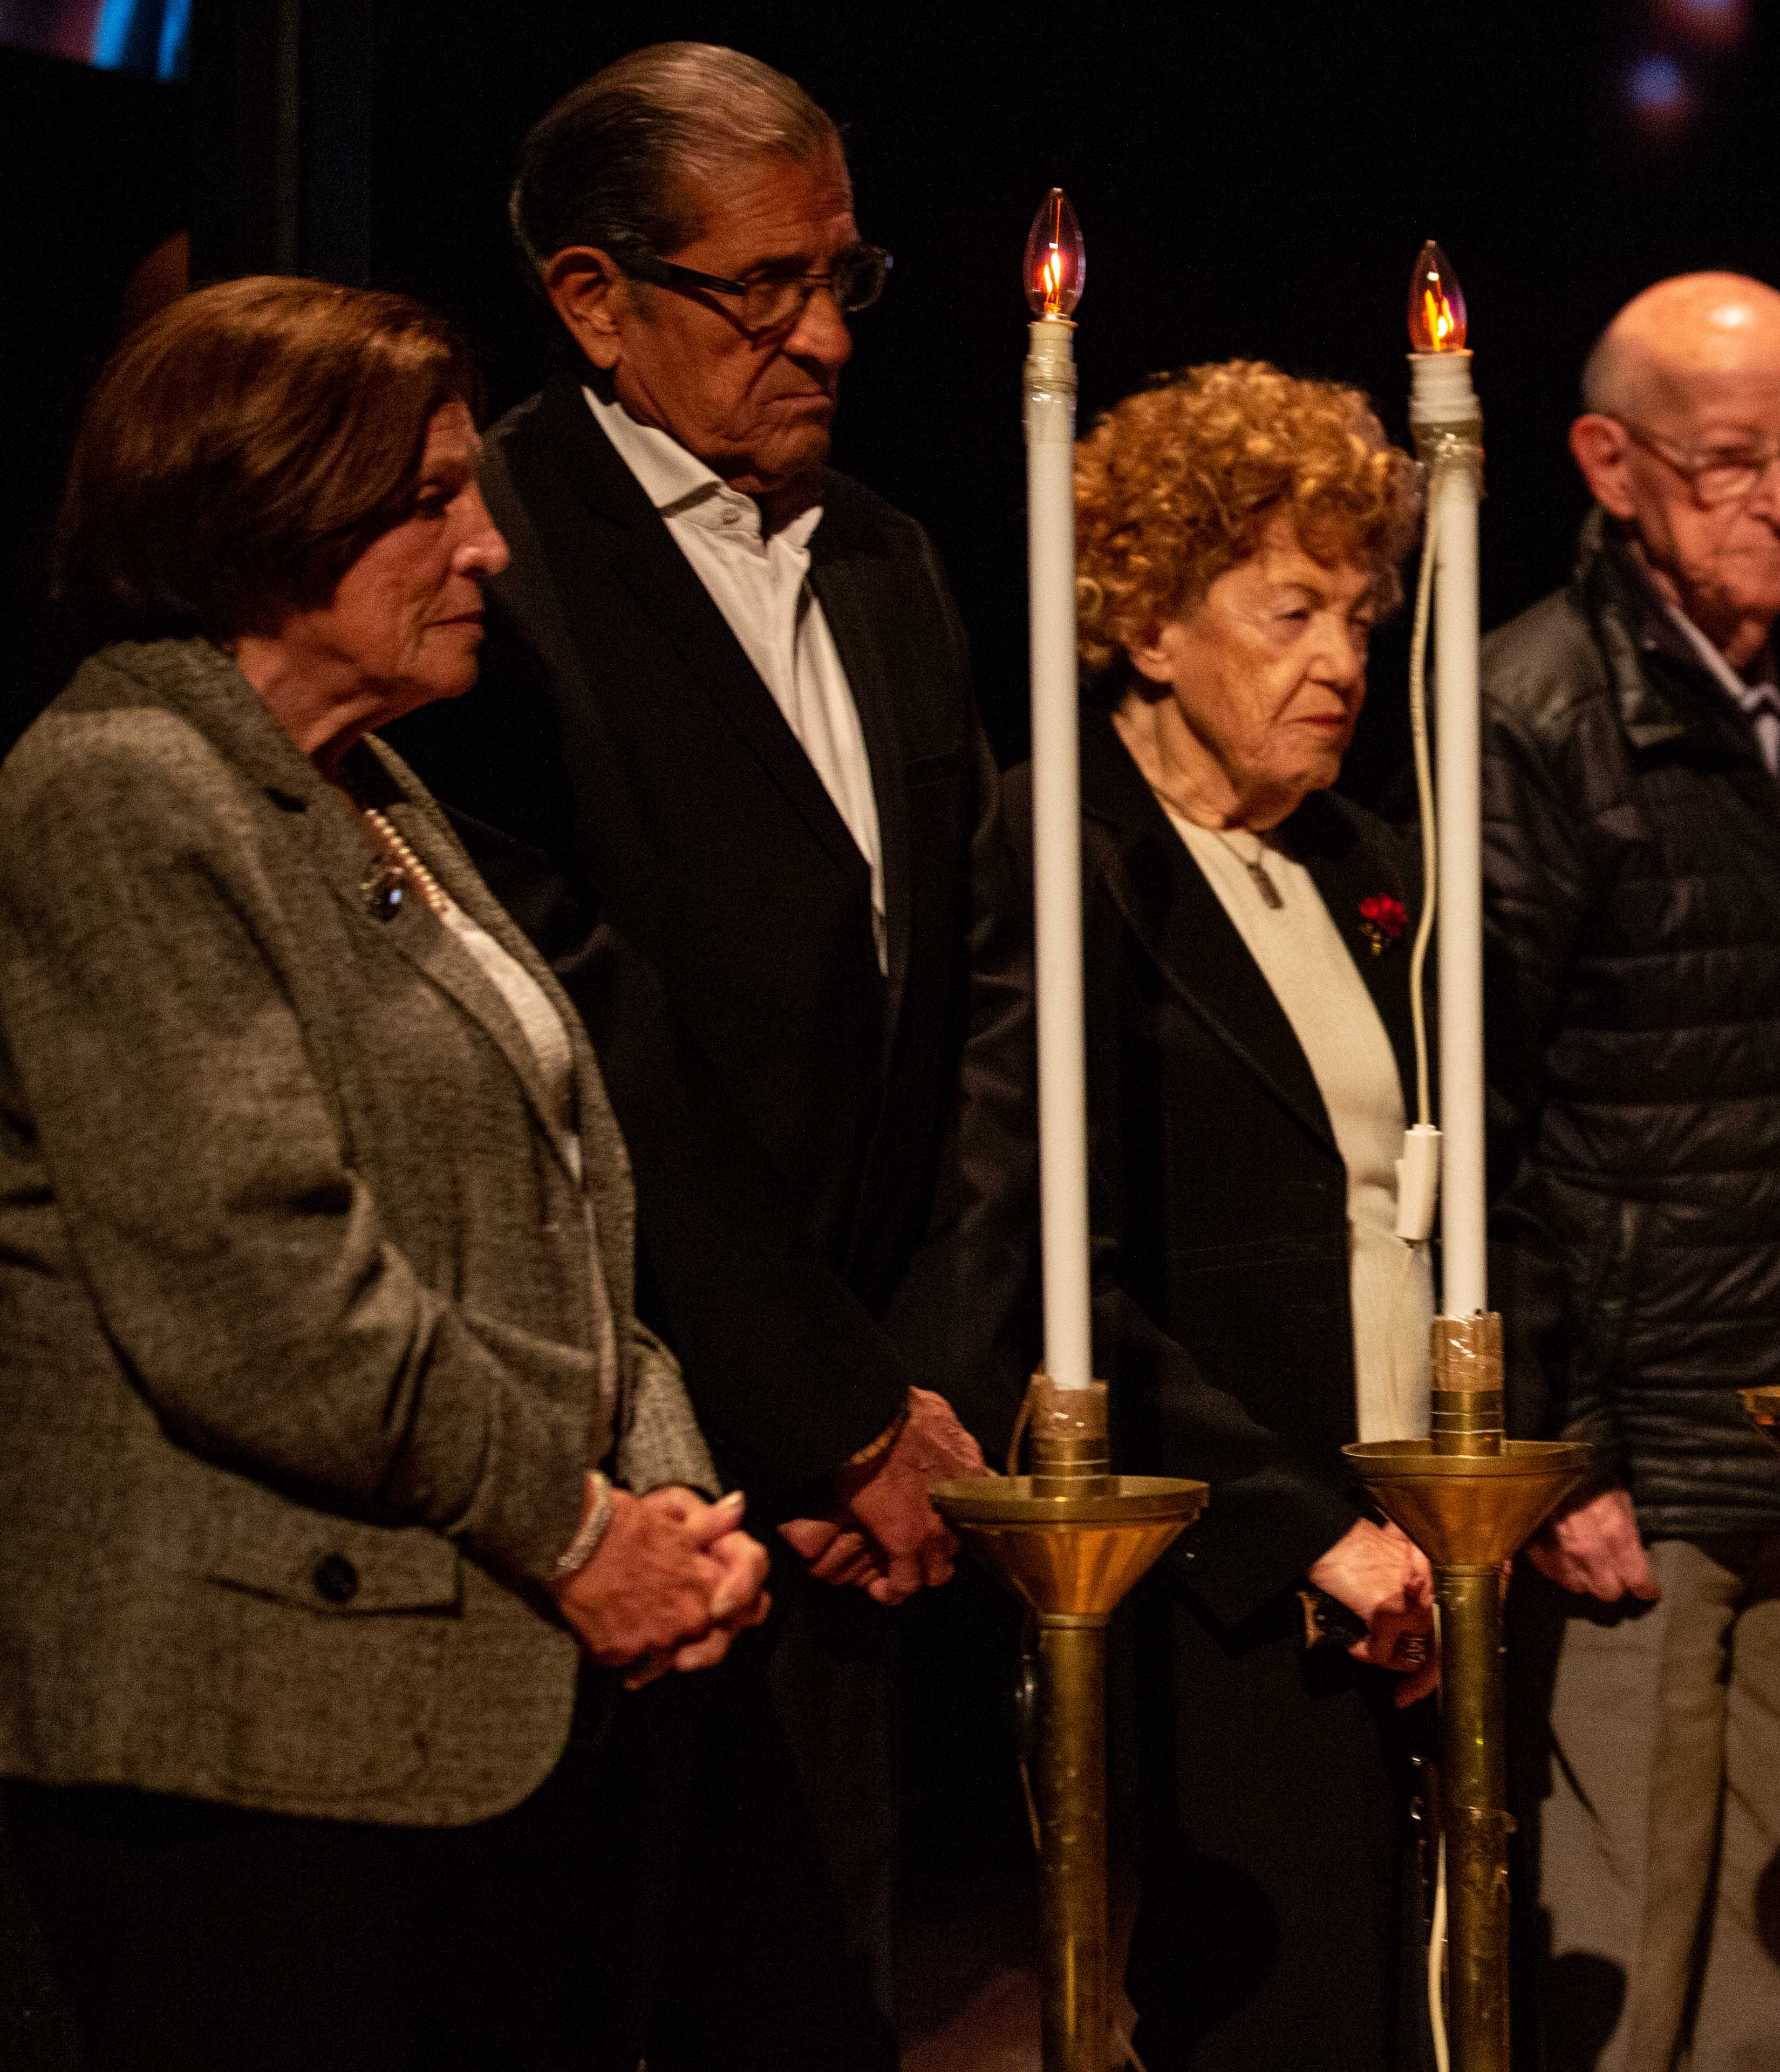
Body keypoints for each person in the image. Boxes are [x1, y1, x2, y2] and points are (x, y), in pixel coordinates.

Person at [0, 276, 770, 2070]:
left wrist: (673, 1498)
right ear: (267, 515)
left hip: (474, 1702)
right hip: (257, 1747)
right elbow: (263, 1293)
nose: (488, 546)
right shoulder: (120, 793)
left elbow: (567, 1201)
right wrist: (583, 1533)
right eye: (432, 501)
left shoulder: (380, 794)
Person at [383, 44, 999, 2066]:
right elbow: (573, 1022)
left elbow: (963, 1011)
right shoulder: (494, 567)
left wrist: (916, 1392)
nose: (820, 333)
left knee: (824, 1995)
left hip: (869, 1470)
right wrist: (816, 1401)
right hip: (625, 1459)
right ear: (591, 298)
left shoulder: (891, 560)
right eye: (762, 289)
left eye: (844, 275)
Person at [939, 360, 1434, 2070]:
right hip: (1225, 1570)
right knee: (1274, 2008)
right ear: (1149, 624)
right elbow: (1048, 1262)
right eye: (1291, 609)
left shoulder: (1366, 862)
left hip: (1419, 1536)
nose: (1343, 661)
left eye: (1362, 616)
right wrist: (1301, 1522)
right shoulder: (1057, 850)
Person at [1480, 271, 1780, 2071]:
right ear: (1610, 465)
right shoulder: (1540, 707)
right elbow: (1488, 1106)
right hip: (1639, 1462)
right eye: (1729, 464)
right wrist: (1561, 1444)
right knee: (1629, 1947)